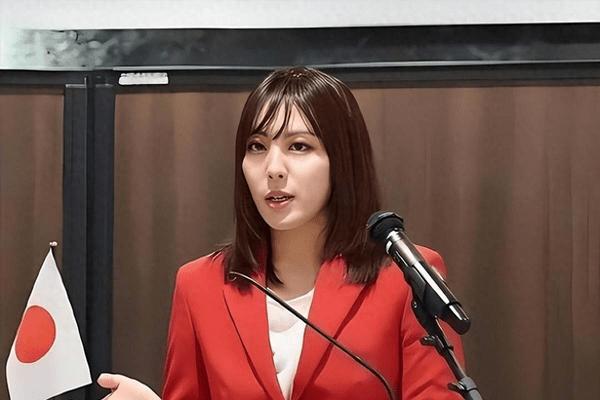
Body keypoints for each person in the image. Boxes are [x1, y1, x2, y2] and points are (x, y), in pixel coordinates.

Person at [98, 66, 464, 399]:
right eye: (257, 147)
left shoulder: (406, 276)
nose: (273, 168)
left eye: (299, 146)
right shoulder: (199, 285)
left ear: (342, 160)